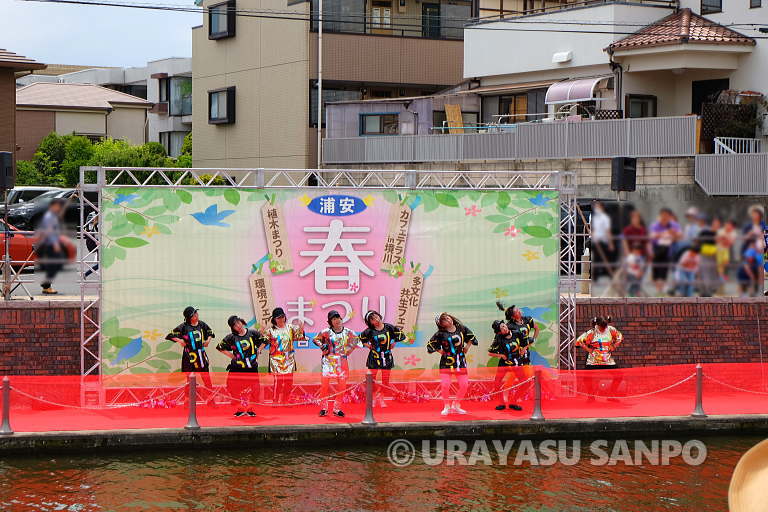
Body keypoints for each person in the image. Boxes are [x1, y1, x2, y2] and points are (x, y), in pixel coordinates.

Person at [427, 312, 478, 416]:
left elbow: (472, 338)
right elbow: (430, 344)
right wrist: (440, 351)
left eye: (447, 317)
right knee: (445, 385)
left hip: (460, 361)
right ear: (441, 324)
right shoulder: (440, 334)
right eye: (444, 320)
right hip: (446, 362)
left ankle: (456, 404)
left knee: (464, 385)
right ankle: (446, 406)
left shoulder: (462, 328)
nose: (448, 319)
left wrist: (467, 347)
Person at [216, 315, 268, 417]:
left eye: (238, 323)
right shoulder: (231, 337)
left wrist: (259, 349)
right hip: (237, 368)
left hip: (252, 367)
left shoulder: (253, 333)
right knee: (232, 387)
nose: (238, 326)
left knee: (255, 389)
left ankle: (250, 408)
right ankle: (239, 408)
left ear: (241, 322)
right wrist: (231, 355)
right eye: (235, 325)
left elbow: (265, 340)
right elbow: (219, 347)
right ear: (232, 328)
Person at [313, 310, 360, 418]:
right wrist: (322, 346)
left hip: (342, 362)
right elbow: (315, 339)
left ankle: (337, 408)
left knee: (342, 387)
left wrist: (349, 350)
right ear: (330, 322)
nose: (337, 320)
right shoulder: (326, 332)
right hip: (328, 361)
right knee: (324, 386)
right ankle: (324, 408)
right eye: (334, 319)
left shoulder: (348, 332)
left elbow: (356, 341)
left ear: (341, 319)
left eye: (338, 318)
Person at [359, 310, 405, 408]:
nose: (376, 319)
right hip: (374, 357)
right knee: (371, 380)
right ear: (369, 322)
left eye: (376, 316)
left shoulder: (389, 327)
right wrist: (368, 346)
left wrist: (394, 342)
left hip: (387, 357)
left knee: (385, 381)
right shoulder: (369, 331)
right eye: (372, 319)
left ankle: (381, 397)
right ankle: (374, 398)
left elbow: (400, 335)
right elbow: (359, 339)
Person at [575, 316, 624, 403]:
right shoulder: (592, 332)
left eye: (605, 326)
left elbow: (619, 337)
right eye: (602, 327)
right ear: (597, 325)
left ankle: (611, 395)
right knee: (586, 378)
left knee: (619, 376)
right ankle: (591, 396)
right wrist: (589, 350)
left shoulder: (610, 329)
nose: (604, 328)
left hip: (607, 359)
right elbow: (578, 341)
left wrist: (614, 346)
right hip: (594, 360)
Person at [262, 307, 305, 404]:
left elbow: (299, 338)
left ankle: (286, 400)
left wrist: (301, 329)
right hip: (276, 359)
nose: (281, 319)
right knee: (278, 382)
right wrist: (262, 330)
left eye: (282, 317)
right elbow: (263, 341)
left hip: (288, 359)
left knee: (289, 382)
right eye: (278, 318)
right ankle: (275, 400)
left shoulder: (290, 328)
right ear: (274, 319)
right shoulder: (270, 331)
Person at [165, 306, 214, 390]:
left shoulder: (202, 324)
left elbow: (210, 332)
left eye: (196, 313)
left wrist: (208, 341)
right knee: (190, 379)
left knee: (206, 377)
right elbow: (170, 335)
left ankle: (210, 398)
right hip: (189, 355)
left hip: (201, 355)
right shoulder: (184, 327)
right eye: (194, 315)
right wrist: (180, 341)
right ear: (189, 318)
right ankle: (188, 399)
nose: (196, 315)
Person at [488, 320, 532, 411]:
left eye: (504, 326)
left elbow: (526, 342)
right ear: (499, 331)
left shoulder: (517, 333)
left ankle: (513, 401)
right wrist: (501, 356)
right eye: (501, 328)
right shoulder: (498, 337)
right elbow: (490, 353)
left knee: (525, 382)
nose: (504, 328)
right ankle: (501, 403)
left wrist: (523, 350)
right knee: (497, 383)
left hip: (516, 362)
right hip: (504, 364)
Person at [35, 198, 66, 295]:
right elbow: (49, 231)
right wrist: (55, 244)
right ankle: (46, 285)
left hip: (50, 243)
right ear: (52, 206)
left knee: (55, 264)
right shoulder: (49, 217)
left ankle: (46, 285)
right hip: (49, 244)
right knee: (55, 264)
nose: (59, 208)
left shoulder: (52, 215)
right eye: (57, 206)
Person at [649, 208, 682, 294]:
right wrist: (666, 233)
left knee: (664, 272)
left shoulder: (674, 225)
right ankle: (658, 290)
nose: (664, 217)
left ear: (670, 216)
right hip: (656, 249)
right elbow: (651, 236)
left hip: (668, 250)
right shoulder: (655, 225)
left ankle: (661, 290)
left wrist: (673, 234)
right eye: (662, 215)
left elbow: (680, 236)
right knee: (655, 273)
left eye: (666, 215)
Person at [590, 201, 614, 281]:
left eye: (598, 207)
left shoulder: (605, 218)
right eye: (596, 207)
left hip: (603, 241)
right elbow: (593, 229)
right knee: (596, 259)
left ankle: (609, 274)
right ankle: (594, 276)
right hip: (595, 241)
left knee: (606, 258)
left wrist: (610, 243)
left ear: (602, 207)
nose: (596, 208)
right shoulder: (594, 217)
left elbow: (608, 231)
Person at [716, 219, 738, 284]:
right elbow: (718, 240)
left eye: (729, 225)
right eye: (726, 224)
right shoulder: (720, 231)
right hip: (719, 249)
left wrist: (724, 238)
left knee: (726, 262)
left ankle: (723, 276)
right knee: (719, 263)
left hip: (726, 250)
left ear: (732, 226)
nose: (727, 226)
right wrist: (725, 239)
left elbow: (730, 243)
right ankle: (721, 276)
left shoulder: (733, 232)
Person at [83, 211, 98, 278]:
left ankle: (86, 274)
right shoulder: (98, 224)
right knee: (100, 264)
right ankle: (85, 274)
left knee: (100, 263)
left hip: (98, 244)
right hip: (99, 245)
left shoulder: (96, 223)